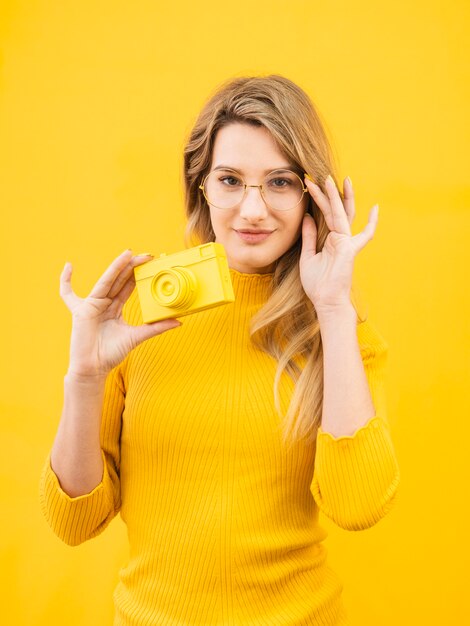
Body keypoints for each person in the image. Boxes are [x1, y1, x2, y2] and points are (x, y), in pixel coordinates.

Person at [39, 74, 400, 626]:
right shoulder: (141, 310)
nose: (252, 211)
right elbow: (73, 523)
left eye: (279, 182)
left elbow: (358, 507)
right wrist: (85, 378)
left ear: (311, 194)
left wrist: (332, 310)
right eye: (230, 179)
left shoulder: (339, 331)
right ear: (201, 186)